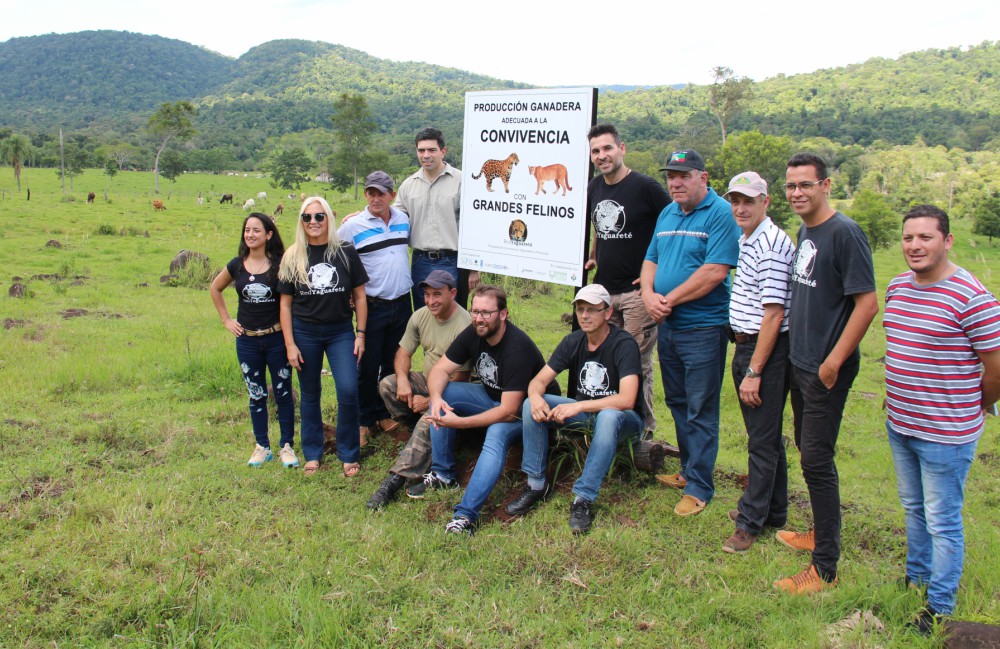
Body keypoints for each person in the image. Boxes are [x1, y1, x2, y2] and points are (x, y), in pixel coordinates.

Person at [884, 204, 1000, 631]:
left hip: (945, 434)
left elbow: (997, 369)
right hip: (901, 423)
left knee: (942, 519)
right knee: (913, 508)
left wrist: (972, 405)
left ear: (946, 240)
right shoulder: (897, 287)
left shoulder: (972, 298)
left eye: (925, 237)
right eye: (909, 237)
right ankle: (915, 580)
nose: (914, 246)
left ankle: (939, 605)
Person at [773, 153, 878, 594]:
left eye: (805, 185)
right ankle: (819, 532)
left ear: (826, 184)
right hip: (802, 360)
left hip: (826, 368)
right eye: (791, 186)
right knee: (807, 449)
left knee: (817, 460)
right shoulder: (806, 228)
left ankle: (825, 568)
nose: (797, 193)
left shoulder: (844, 233)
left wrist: (833, 361)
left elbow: (868, 303)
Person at [640, 149, 740, 517]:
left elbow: (715, 271)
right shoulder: (668, 213)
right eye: (671, 176)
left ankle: (700, 486)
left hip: (702, 328)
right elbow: (650, 259)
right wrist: (649, 295)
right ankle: (686, 471)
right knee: (678, 402)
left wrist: (668, 299)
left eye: (684, 175)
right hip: (669, 327)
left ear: (703, 177)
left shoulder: (720, 214)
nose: (676, 182)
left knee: (701, 408)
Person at [507, 284, 644, 535]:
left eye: (592, 309)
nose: (584, 315)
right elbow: (538, 381)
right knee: (530, 404)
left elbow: (626, 399)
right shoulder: (573, 341)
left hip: (625, 421)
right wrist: (536, 397)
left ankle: (583, 499)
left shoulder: (623, 343)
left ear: (607, 312)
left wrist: (579, 405)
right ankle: (536, 485)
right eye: (580, 309)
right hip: (587, 416)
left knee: (609, 415)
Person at [424, 285, 551, 534]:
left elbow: (508, 410)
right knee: (443, 392)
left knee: (496, 434)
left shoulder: (517, 347)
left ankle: (465, 516)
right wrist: (436, 398)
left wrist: (458, 423)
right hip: (490, 397)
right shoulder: (474, 332)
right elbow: (440, 370)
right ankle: (443, 474)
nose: (479, 318)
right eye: (475, 311)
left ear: (503, 314)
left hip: (524, 410)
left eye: (487, 313)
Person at [720, 172, 795, 554]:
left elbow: (774, 314)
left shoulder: (771, 244)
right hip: (747, 343)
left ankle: (750, 522)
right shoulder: (749, 238)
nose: (740, 207)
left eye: (748, 200)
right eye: (735, 200)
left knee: (761, 442)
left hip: (764, 350)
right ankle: (774, 510)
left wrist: (755, 370)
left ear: (766, 202)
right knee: (765, 437)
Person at [585, 124, 671, 435]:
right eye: (595, 151)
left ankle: (642, 431)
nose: (601, 156)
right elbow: (599, 225)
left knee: (636, 363)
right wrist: (595, 253)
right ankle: (611, 426)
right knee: (608, 360)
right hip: (605, 292)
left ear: (622, 148)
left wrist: (656, 273)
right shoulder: (595, 187)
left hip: (638, 294)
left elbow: (673, 225)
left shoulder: (646, 187)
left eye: (607, 148)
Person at [365, 270, 472, 510]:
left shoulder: (464, 324)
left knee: (431, 416)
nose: (431, 300)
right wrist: (403, 379)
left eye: (437, 294)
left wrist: (430, 399)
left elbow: (462, 377)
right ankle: (424, 437)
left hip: (455, 389)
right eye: (426, 295)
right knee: (388, 385)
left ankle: (392, 483)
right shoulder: (420, 316)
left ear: (453, 293)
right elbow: (403, 352)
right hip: (427, 379)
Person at [277, 196, 369, 477]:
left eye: (319, 216)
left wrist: (360, 333)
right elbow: (284, 304)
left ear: (329, 218)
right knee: (310, 394)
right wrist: (290, 345)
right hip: (305, 332)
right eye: (307, 217)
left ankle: (348, 452)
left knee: (348, 390)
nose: (313, 222)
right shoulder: (293, 255)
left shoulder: (344, 252)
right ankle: (313, 453)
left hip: (340, 331)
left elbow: (360, 297)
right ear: (301, 222)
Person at [209, 213, 298, 469]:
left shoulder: (281, 264)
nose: (250, 234)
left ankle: (286, 446)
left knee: (283, 393)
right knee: (256, 394)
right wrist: (227, 320)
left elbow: (290, 300)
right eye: (247, 230)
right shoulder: (237, 264)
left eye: (256, 230)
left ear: (269, 234)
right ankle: (262, 447)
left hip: (276, 339)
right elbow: (215, 288)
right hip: (247, 340)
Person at [337, 171, 413, 446]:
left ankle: (384, 413)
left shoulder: (403, 220)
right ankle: (363, 419)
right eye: (371, 192)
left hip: (403, 303)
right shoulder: (352, 227)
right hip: (372, 305)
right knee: (367, 365)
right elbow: (336, 259)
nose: (375, 198)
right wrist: (345, 293)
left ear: (392, 195)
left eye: (381, 193)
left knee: (393, 362)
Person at [394, 127, 480, 308]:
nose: (426, 155)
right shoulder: (408, 185)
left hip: (453, 261)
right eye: (421, 150)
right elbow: (392, 216)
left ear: (443, 151)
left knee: (454, 316)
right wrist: (363, 214)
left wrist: (474, 268)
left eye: (431, 150)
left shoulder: (462, 181)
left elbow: (474, 225)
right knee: (423, 313)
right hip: (420, 261)